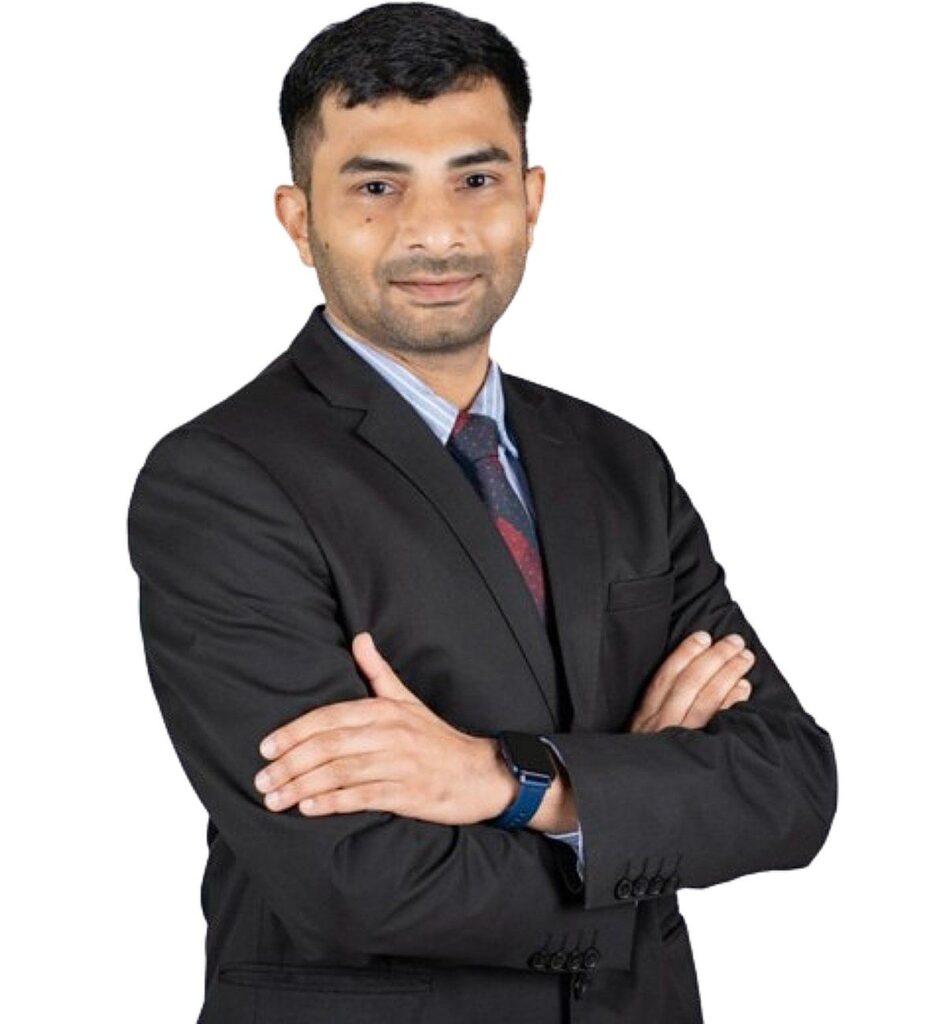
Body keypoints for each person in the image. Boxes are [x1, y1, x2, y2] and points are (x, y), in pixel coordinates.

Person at [126, 4, 837, 1022]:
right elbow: (356, 879)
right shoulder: (223, 481)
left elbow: (791, 786)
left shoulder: (620, 462)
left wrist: (506, 783)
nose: (436, 232)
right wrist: (639, 813)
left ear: (531, 200)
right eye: (377, 187)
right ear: (297, 219)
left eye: (476, 179)